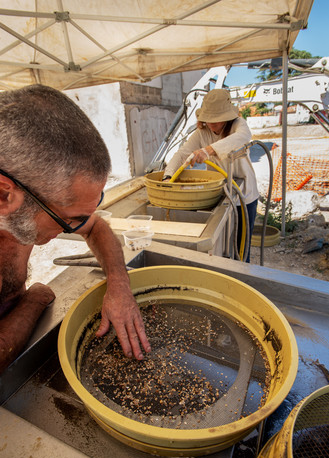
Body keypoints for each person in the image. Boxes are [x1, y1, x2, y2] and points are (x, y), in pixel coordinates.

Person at [0, 84, 151, 374]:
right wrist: (35, 298)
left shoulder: (20, 211)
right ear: (5, 195)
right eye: (67, 219)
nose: (76, 227)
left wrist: (119, 286)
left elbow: (96, 228)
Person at [163, 88, 259, 262]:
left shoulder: (238, 125)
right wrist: (168, 177)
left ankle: (243, 278)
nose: (212, 124)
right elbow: (182, 154)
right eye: (209, 119)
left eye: (217, 119)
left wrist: (209, 150)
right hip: (220, 194)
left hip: (244, 195)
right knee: (221, 246)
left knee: (241, 246)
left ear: (228, 116)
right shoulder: (202, 133)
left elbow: (243, 137)